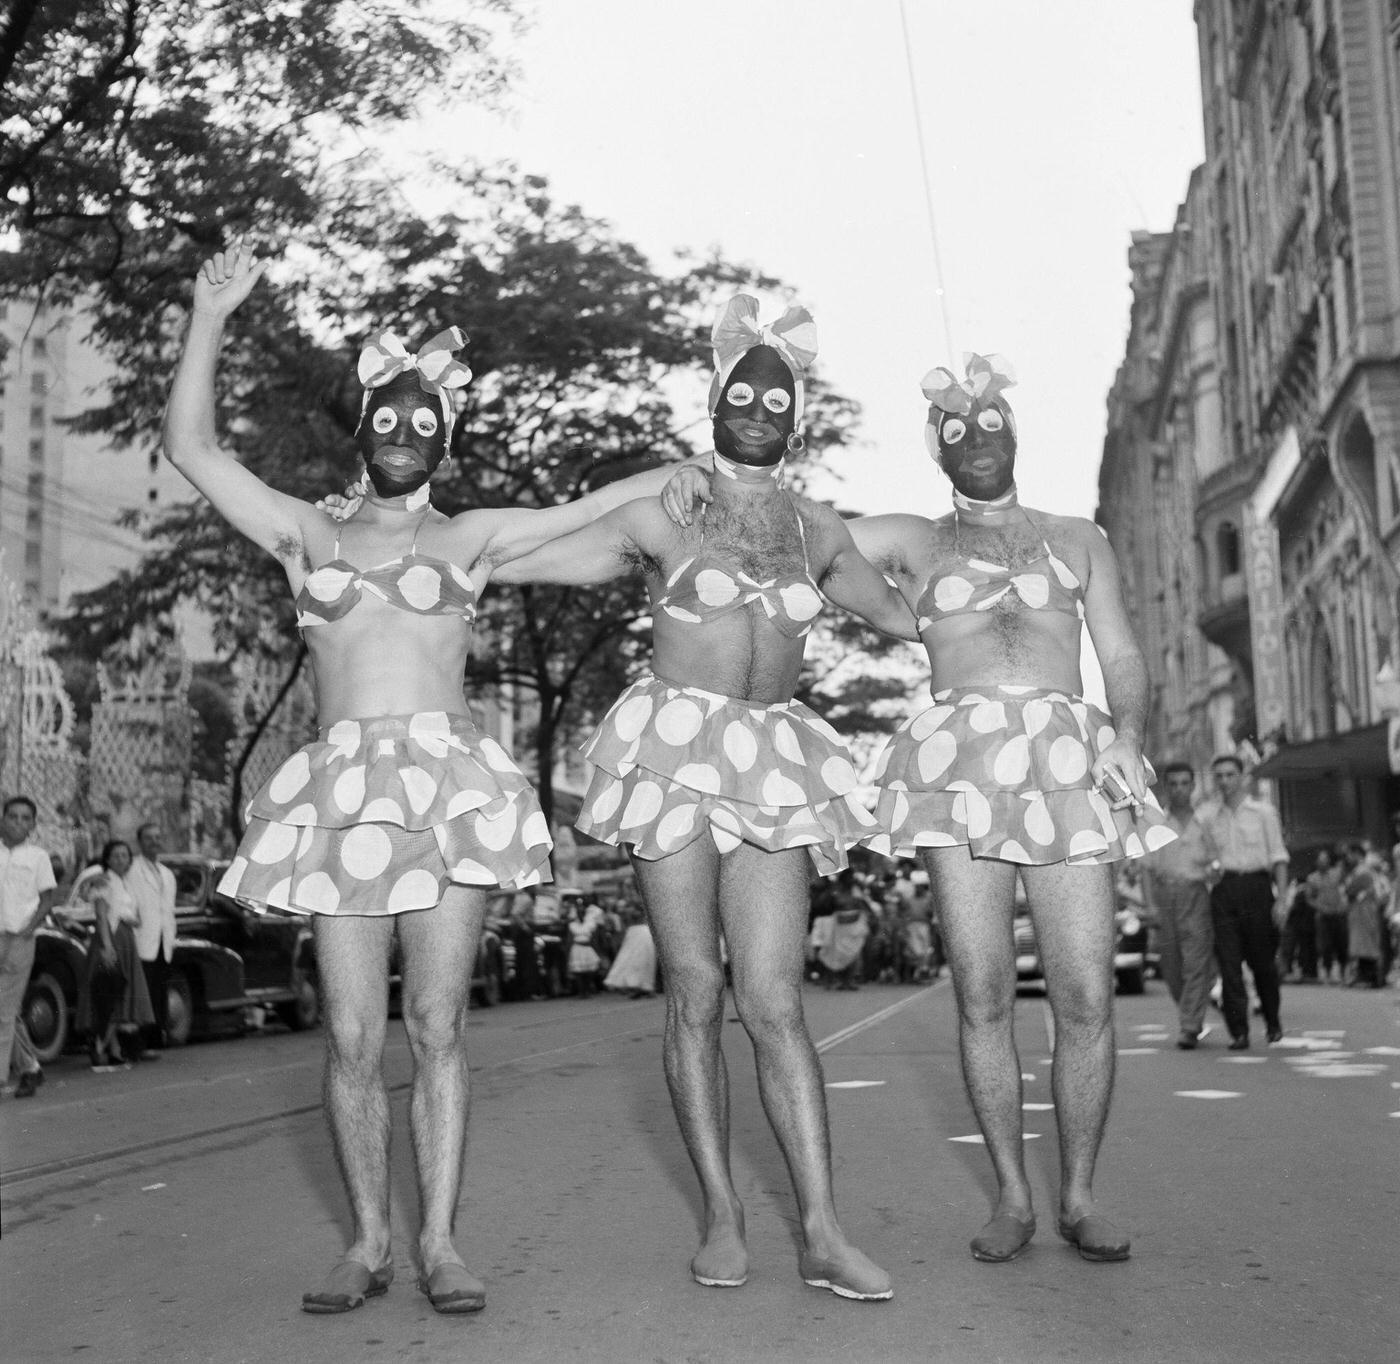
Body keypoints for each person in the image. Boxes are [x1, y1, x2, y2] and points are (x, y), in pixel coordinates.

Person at [163, 244, 711, 1316]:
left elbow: (588, 511)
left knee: (443, 1023)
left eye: (426, 420)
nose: (406, 430)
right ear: (361, 425)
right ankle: (366, 1238)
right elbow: (191, 447)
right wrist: (208, 313)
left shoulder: (467, 535)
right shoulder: (304, 531)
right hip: (342, 796)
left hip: (448, 784)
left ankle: (440, 1241)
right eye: (389, 415)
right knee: (355, 1033)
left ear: (443, 437)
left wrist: (678, 475)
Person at [492, 295, 916, 1300]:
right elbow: (525, 549)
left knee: (772, 995)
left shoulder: (817, 529)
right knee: (693, 985)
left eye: (779, 391)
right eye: (742, 389)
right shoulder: (666, 509)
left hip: (773, 759)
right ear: (713, 400)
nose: (760, 403)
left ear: (796, 412)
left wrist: (989, 575)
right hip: (673, 752)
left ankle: (819, 1227)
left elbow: (904, 618)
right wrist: (646, 474)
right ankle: (722, 1214)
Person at [773, 353, 1176, 1266]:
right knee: (984, 991)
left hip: (1067, 758)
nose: (978, 442)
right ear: (938, 453)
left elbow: (1120, 652)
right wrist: (888, 611)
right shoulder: (916, 538)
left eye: (991, 427)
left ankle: (1077, 1195)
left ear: (1015, 438)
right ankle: (1011, 1195)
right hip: (956, 764)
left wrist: (1127, 733)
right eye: (957, 433)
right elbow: (807, 538)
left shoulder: (1078, 538)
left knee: (1084, 993)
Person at [1198, 755, 1289, 1049]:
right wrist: (1210, 872)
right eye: (1219, 776)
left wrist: (1282, 899)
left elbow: (1278, 857)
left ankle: (1273, 1022)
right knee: (1229, 964)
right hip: (1225, 891)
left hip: (1257, 888)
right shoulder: (1210, 816)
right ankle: (1239, 1032)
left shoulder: (1263, 812)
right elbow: (1205, 859)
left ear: (1242, 777)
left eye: (1230, 775)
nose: (1224, 781)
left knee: (1263, 963)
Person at [1140, 762, 1215, 1049]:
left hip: (1196, 893)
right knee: (1171, 965)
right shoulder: (1155, 820)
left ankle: (1189, 1025)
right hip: (1165, 894)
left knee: (1196, 961)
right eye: (1174, 784)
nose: (1180, 789)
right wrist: (1149, 906)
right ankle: (1191, 1009)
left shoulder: (1206, 821)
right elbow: (1146, 867)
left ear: (1193, 786)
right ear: (1166, 787)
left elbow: (1218, 858)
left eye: (1185, 783)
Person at [77, 840, 156, 1070]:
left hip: (126, 938)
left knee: (117, 991)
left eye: (125, 855)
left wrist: (132, 920)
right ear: (108, 859)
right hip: (111, 939)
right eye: (116, 856)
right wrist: (106, 945)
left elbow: (133, 914)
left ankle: (113, 1048)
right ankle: (101, 1044)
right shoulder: (104, 881)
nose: (121, 860)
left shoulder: (126, 883)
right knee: (111, 991)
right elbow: (101, 915)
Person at [0, 796, 58, 1099]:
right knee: (7, 1011)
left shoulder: (37, 857)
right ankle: (30, 1067)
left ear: (33, 825)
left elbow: (48, 898)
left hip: (19, 937)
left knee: (3, 1009)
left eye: (25, 818)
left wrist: (28, 929)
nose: (17, 823)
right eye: (12, 816)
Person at [127, 822, 177, 1056]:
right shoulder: (131, 869)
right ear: (140, 841)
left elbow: (168, 910)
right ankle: (139, 1043)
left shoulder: (167, 874)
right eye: (149, 838)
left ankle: (156, 1037)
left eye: (157, 837)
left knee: (158, 990)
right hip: (141, 939)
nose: (154, 842)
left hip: (163, 941)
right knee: (142, 992)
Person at [1340, 844, 1383, 988]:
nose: (1348, 858)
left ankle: (1372, 979)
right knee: (1363, 947)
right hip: (1360, 913)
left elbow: (1350, 889)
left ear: (1357, 854)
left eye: (1350, 854)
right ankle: (1365, 978)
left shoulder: (1363, 871)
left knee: (1366, 947)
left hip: (1364, 913)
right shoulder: (1361, 870)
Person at [1305, 849, 1348, 985]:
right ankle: (1328, 973)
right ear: (1317, 862)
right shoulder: (1312, 878)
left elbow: (1346, 886)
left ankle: (1343, 972)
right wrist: (1320, 907)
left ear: (1329, 861)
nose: (1323, 862)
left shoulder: (1336, 873)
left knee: (1341, 943)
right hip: (1323, 916)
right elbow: (1309, 898)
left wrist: (1343, 905)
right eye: (1321, 860)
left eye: (1325, 859)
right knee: (1325, 945)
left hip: (1338, 914)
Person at [603, 904, 657, 998]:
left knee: (644, 963)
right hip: (639, 935)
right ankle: (639, 989)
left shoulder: (639, 919)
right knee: (637, 964)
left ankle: (645, 988)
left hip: (642, 935)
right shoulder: (634, 920)